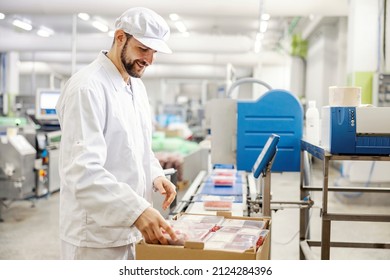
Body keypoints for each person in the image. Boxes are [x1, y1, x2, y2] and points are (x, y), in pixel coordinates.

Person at [56, 7, 177, 260]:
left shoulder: (137, 87)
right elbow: (82, 171)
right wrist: (137, 211)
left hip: (129, 229)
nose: (149, 60)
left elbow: (138, 146)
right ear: (120, 37)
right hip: (94, 238)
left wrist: (155, 174)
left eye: (154, 52)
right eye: (143, 49)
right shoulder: (87, 88)